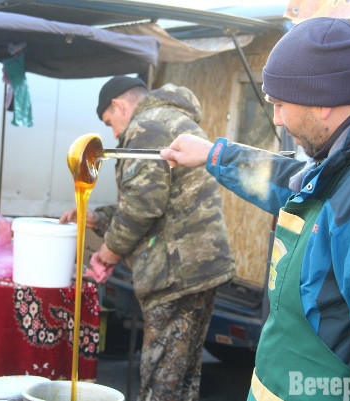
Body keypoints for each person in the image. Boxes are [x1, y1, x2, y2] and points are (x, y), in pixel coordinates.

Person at [160, 17, 350, 401]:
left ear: (322, 101)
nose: (277, 119)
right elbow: (295, 186)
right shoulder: (346, 159)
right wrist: (214, 155)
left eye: (280, 104)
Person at [61, 75, 235, 401]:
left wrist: (107, 254)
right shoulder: (171, 120)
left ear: (119, 105)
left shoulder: (146, 126)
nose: (113, 133)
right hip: (199, 265)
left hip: (174, 271)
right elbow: (159, 202)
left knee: (161, 380)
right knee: (182, 373)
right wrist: (98, 218)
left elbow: (143, 204)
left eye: (109, 122)